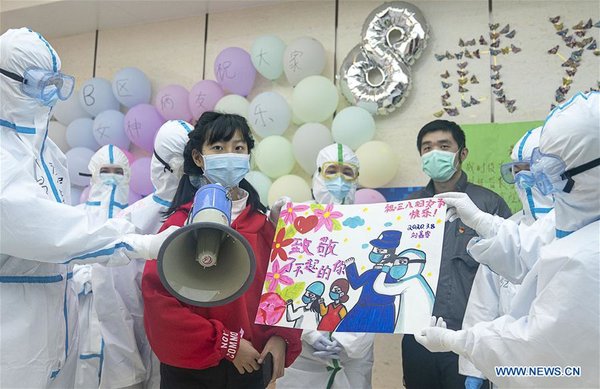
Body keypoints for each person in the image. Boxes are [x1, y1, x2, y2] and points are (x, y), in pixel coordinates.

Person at [0, 27, 175, 388]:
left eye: (56, 83)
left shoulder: (49, 154)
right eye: (38, 83)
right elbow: (37, 227)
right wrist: (134, 242)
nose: (50, 95)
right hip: (12, 322)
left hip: (58, 320)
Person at [416, 91, 599, 387]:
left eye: (548, 171)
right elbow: (530, 249)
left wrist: (460, 342)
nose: (534, 181)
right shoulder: (574, 218)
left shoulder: (586, 256)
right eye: (522, 170)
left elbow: (538, 351)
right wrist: (482, 222)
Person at [141, 112, 302, 388]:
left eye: (238, 148)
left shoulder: (264, 227)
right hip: (191, 374)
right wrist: (225, 344)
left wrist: (281, 337)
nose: (230, 154)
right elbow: (159, 301)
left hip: (251, 367)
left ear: (248, 157)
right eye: (218, 147)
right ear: (198, 158)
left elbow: (286, 290)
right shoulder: (180, 225)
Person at [401, 119, 512, 389]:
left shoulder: (488, 204)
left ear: (462, 153)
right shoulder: (408, 207)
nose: (434, 152)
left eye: (443, 145)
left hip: (469, 337)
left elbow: (510, 269)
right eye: (427, 148)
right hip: (418, 335)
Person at [458, 127, 554, 389]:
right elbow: (483, 300)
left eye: (531, 169)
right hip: (510, 366)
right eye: (517, 170)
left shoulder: (582, 227)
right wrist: (473, 366)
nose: (523, 178)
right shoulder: (507, 229)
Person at [277, 143, 376, 389]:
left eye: (348, 172)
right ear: (317, 173)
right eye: (331, 171)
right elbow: (285, 288)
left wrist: (350, 342)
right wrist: (309, 333)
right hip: (304, 357)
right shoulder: (298, 224)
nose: (340, 180)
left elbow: (375, 294)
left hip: (354, 357)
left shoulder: (373, 225)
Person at [115, 119, 194, 389]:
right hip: (151, 352)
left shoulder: (209, 213)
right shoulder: (132, 220)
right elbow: (118, 306)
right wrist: (127, 376)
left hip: (197, 355)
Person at [71, 144, 145, 389]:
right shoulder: (76, 217)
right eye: (105, 170)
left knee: (120, 374)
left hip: (122, 312)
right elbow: (61, 261)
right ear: (93, 174)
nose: (112, 178)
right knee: (80, 372)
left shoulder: (134, 221)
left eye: (118, 172)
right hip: (82, 309)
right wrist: (86, 276)